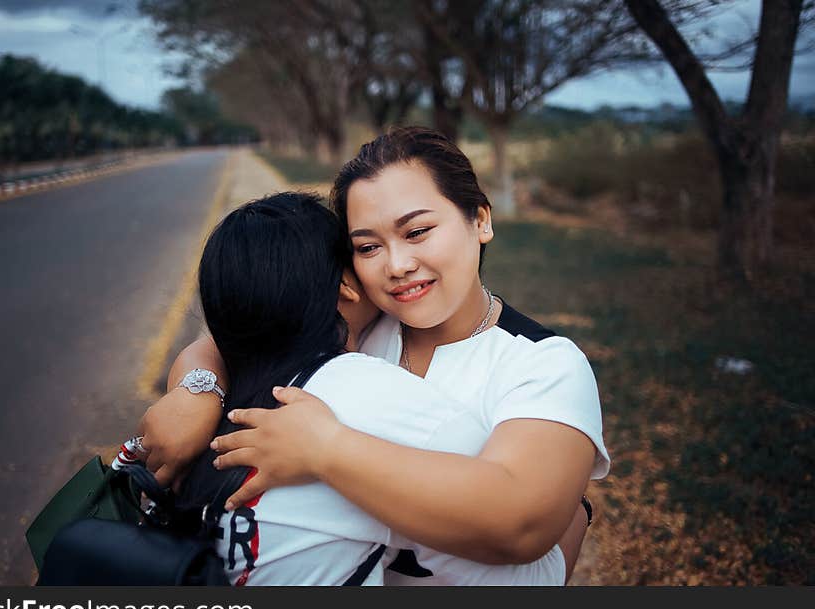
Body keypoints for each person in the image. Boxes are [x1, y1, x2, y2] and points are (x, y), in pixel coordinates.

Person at [140, 127, 609, 584]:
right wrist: (196, 392)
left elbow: (520, 526)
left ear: (480, 220)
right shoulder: (357, 325)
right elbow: (232, 341)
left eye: (418, 231)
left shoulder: (543, 364)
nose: (397, 265)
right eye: (368, 246)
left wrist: (325, 449)